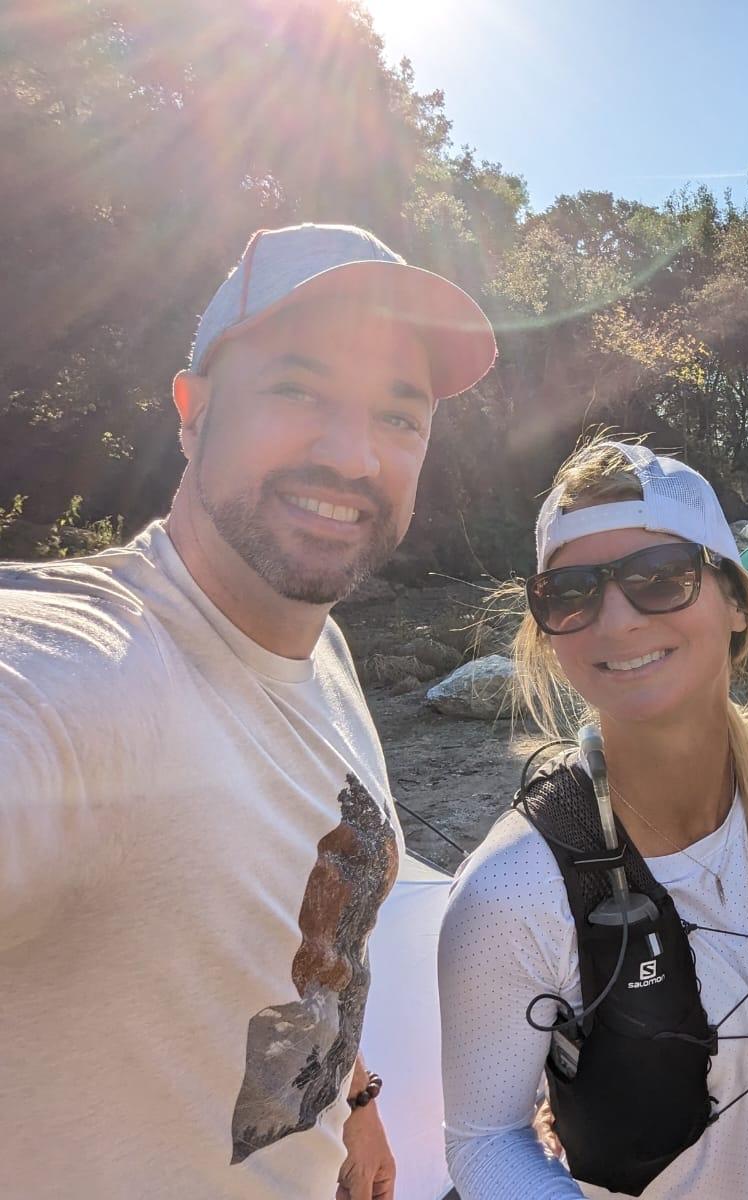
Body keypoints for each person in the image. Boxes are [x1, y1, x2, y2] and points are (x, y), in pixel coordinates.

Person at [0, 222, 497, 1199]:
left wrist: (354, 1103)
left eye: (398, 418)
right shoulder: (84, 671)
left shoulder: (325, 649)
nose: (351, 456)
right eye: (297, 390)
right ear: (192, 413)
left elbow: (311, 944)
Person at [437, 440, 748, 1199]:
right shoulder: (515, 888)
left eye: (661, 579)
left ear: (740, 602)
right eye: (572, 593)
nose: (614, 620)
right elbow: (484, 1141)